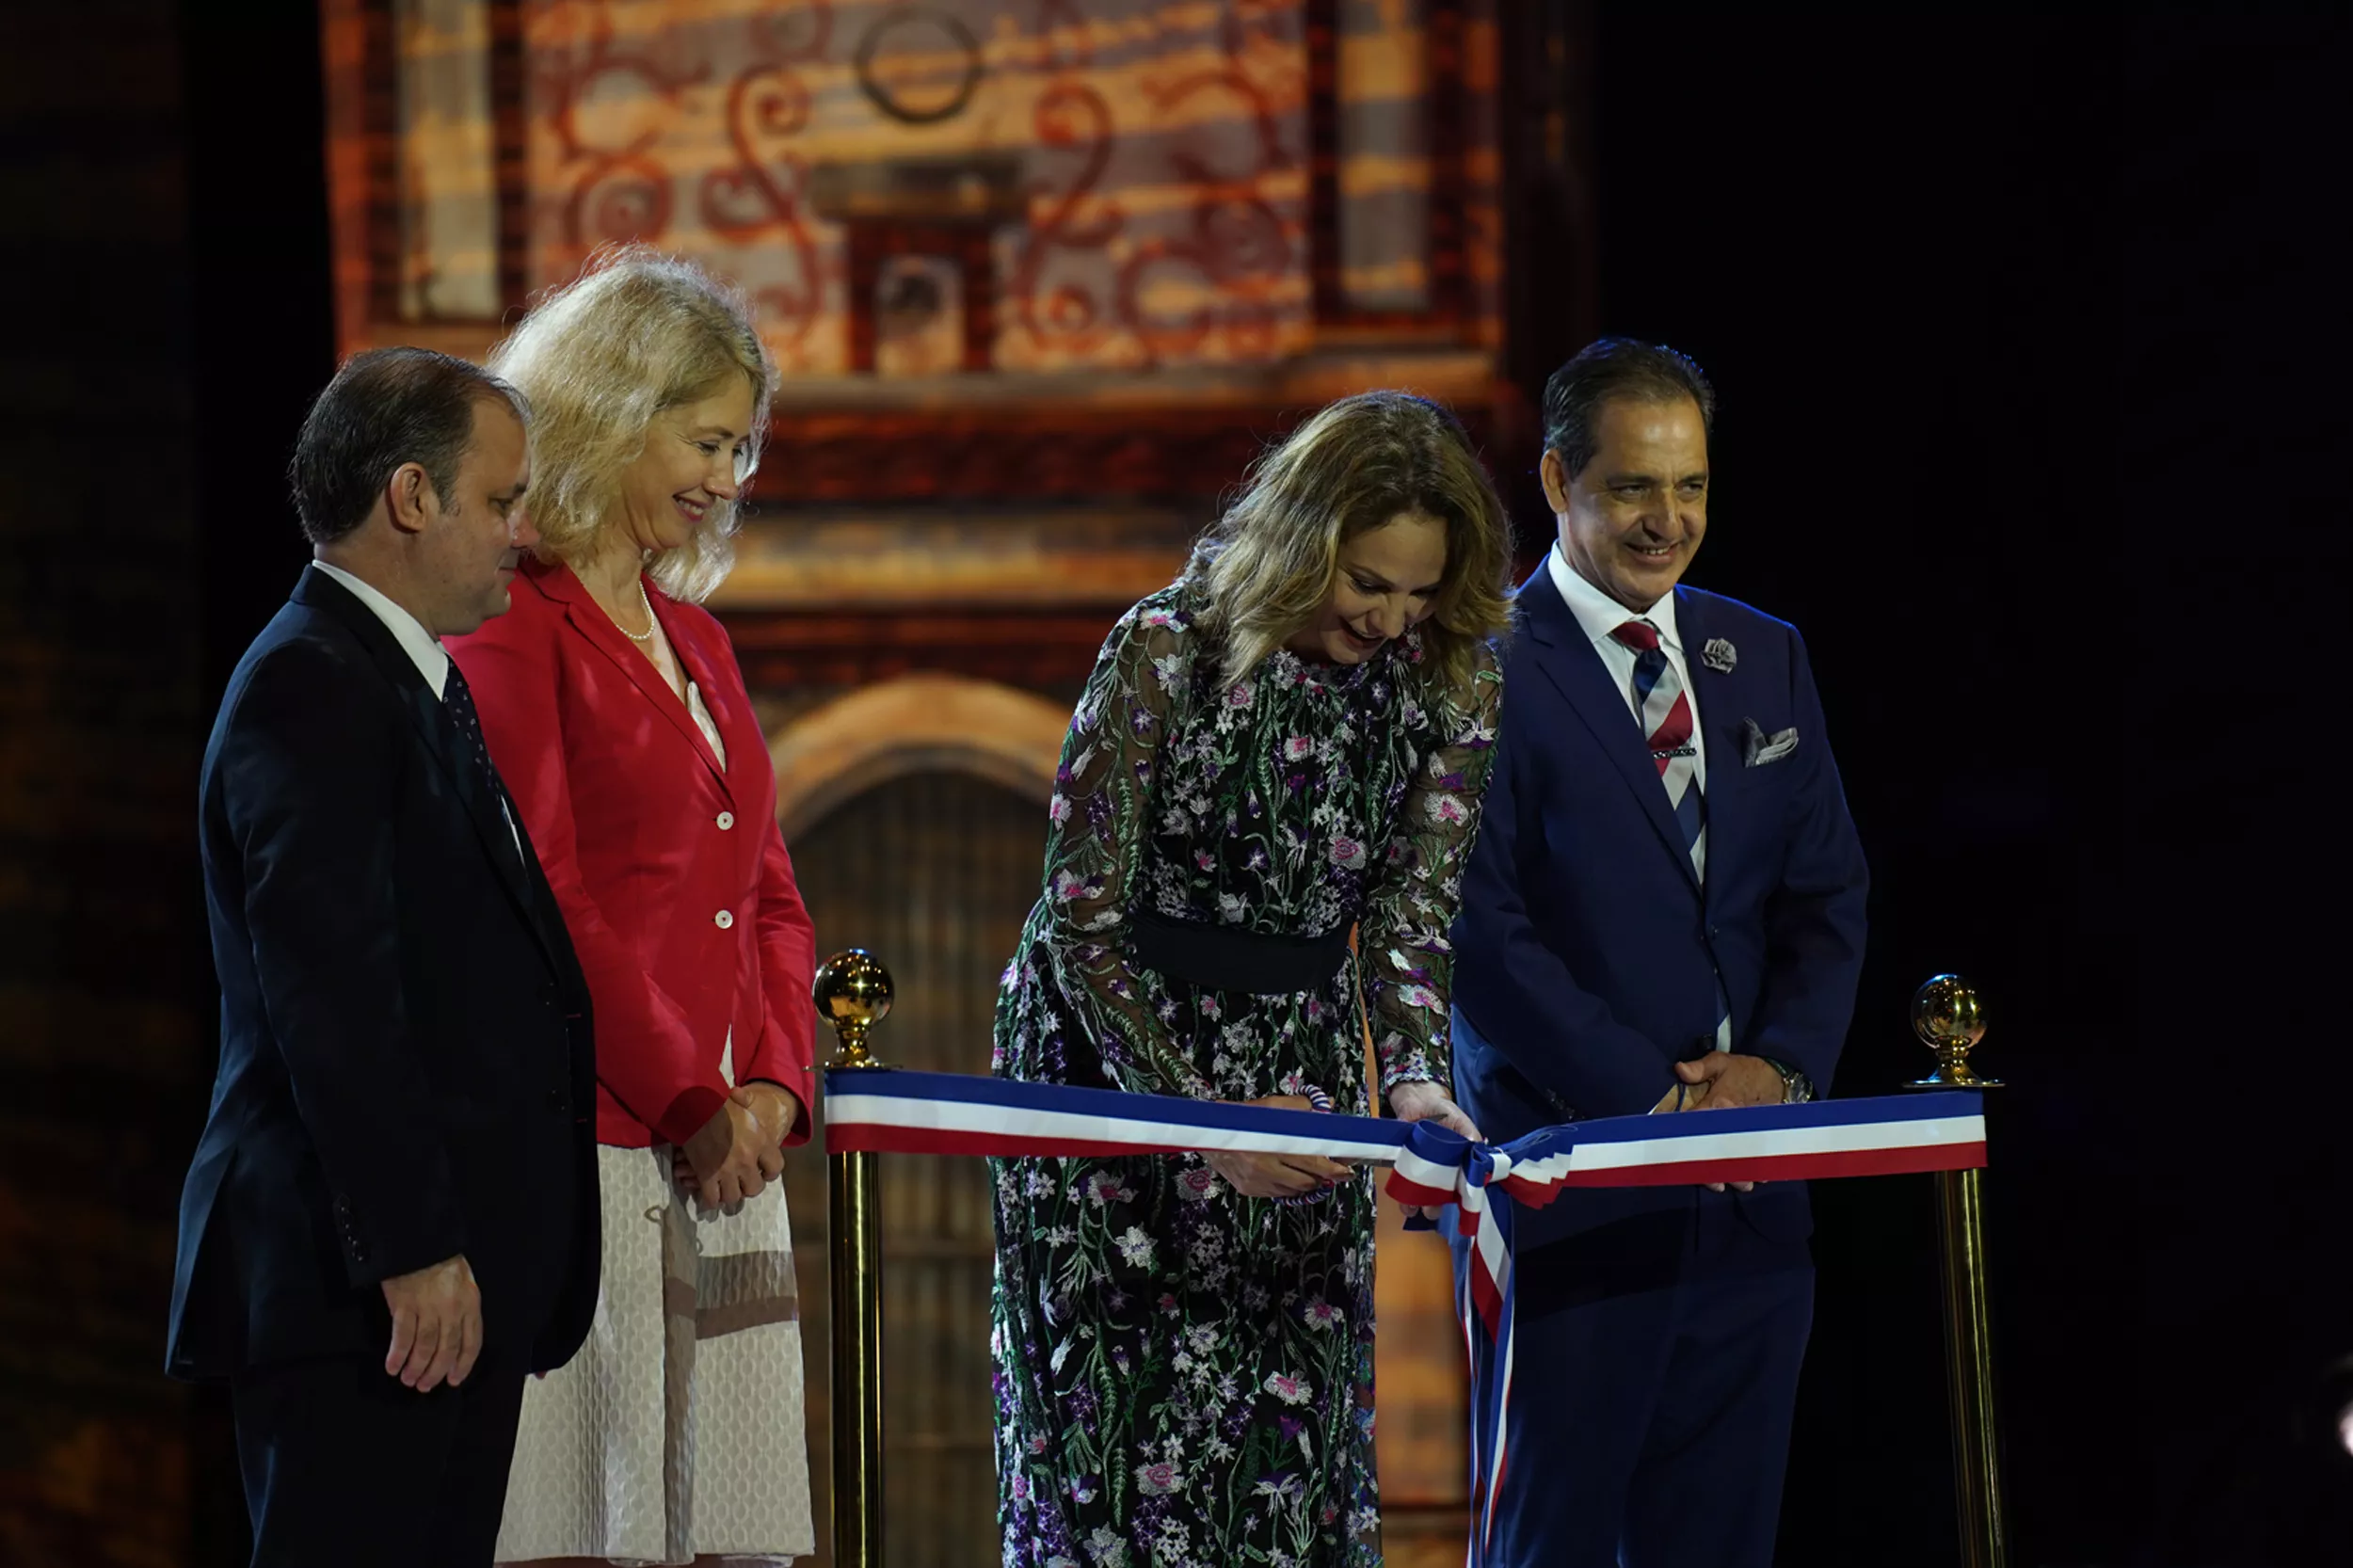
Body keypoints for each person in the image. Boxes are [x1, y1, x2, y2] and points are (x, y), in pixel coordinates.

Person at [990, 391, 1512, 1568]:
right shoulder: (1167, 645)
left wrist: (1418, 1080)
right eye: (1368, 582)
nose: (1392, 617)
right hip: (1117, 1069)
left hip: (1300, 1069)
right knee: (1115, 1453)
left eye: (1420, 590)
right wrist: (1197, 1121)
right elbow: (1080, 922)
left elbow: (1408, 912)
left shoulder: (1453, 682)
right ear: (1303, 541)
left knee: (1292, 1451)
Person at [166, 348, 600, 1566]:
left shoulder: (397, 683)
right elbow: (334, 997)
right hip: (363, 1289)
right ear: (412, 495)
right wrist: (411, 1245)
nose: (523, 533)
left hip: (430, 1283)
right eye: (503, 501)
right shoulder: (310, 685)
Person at [1448, 338, 1869, 1567]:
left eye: (1689, 486)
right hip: (1572, 1191)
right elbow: (1480, 933)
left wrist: (1778, 1075)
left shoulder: (1765, 655)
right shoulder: (1477, 667)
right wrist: (1653, 1101)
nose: (1667, 518)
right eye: (1635, 486)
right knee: (1555, 1543)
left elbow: (1829, 895)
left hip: (1751, 1211)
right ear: (1558, 479)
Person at [446, 248, 817, 1567]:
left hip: (727, 1152)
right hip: (602, 1142)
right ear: (611, 413)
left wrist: (773, 1082)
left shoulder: (699, 638)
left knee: (724, 1525)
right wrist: (690, 1095)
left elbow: (769, 885)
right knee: (597, 1521)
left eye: (744, 450)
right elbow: (547, 891)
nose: (728, 480)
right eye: (709, 441)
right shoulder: (511, 624)